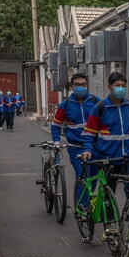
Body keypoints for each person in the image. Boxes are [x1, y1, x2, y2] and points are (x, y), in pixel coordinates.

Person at [81, 72, 129, 239]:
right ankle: (110, 227)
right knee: (107, 192)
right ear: (109, 87)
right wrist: (88, 149)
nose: (121, 89)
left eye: (123, 86)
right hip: (107, 158)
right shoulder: (100, 108)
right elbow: (89, 133)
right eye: (117, 86)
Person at [51, 73, 99, 204]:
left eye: (83, 84)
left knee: (94, 177)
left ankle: (87, 201)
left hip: (95, 147)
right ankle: (83, 208)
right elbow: (55, 125)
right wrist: (56, 142)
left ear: (87, 85)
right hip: (76, 148)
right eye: (77, 85)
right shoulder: (65, 105)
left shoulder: (96, 102)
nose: (80, 87)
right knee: (82, 175)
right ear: (72, 86)